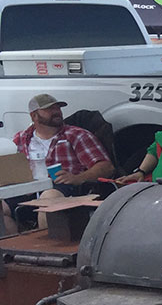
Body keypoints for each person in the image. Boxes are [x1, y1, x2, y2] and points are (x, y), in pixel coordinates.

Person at [5, 93, 114, 232]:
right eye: (49, 109)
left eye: (58, 108)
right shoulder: (20, 138)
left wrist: (77, 178)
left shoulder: (76, 135)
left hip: (65, 187)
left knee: (48, 200)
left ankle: (48, 250)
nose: (56, 112)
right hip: (28, 189)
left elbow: (106, 167)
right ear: (34, 116)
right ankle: (14, 248)